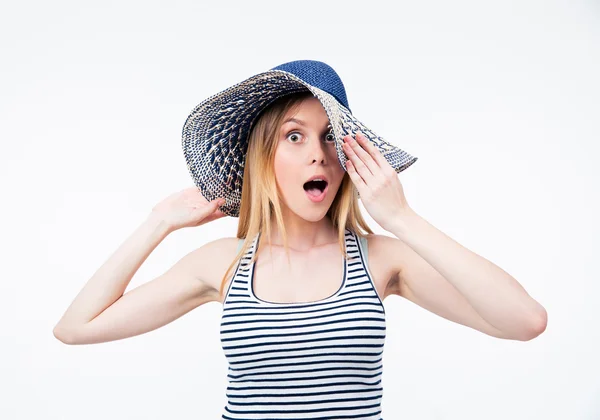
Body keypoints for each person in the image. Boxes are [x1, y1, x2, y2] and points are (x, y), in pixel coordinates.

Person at [53, 60, 547, 419]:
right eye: (294, 136)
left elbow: (524, 321)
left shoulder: (382, 260)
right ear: (264, 156)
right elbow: (76, 327)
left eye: (331, 136)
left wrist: (403, 219)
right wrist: (158, 222)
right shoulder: (222, 263)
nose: (318, 154)